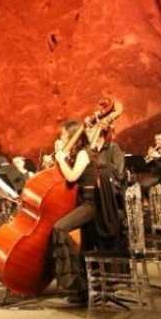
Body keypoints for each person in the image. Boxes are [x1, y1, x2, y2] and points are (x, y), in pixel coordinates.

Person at [51, 120, 99, 305]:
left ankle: (72, 282)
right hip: (82, 202)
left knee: (60, 228)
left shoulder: (84, 154)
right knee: (79, 246)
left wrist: (61, 159)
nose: (61, 138)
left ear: (72, 137)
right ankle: (82, 289)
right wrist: (57, 158)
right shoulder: (76, 154)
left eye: (63, 135)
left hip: (92, 204)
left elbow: (71, 176)